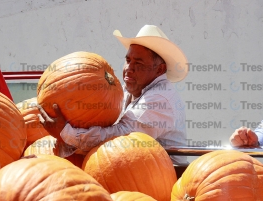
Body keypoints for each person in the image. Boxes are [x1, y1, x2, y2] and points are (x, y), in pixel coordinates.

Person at [38, 25, 189, 165]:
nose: (129, 68)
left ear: (159, 70)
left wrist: (66, 132)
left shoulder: (160, 99)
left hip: (166, 178)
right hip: (129, 167)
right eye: (128, 60)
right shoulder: (127, 90)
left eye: (139, 63)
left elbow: (120, 139)